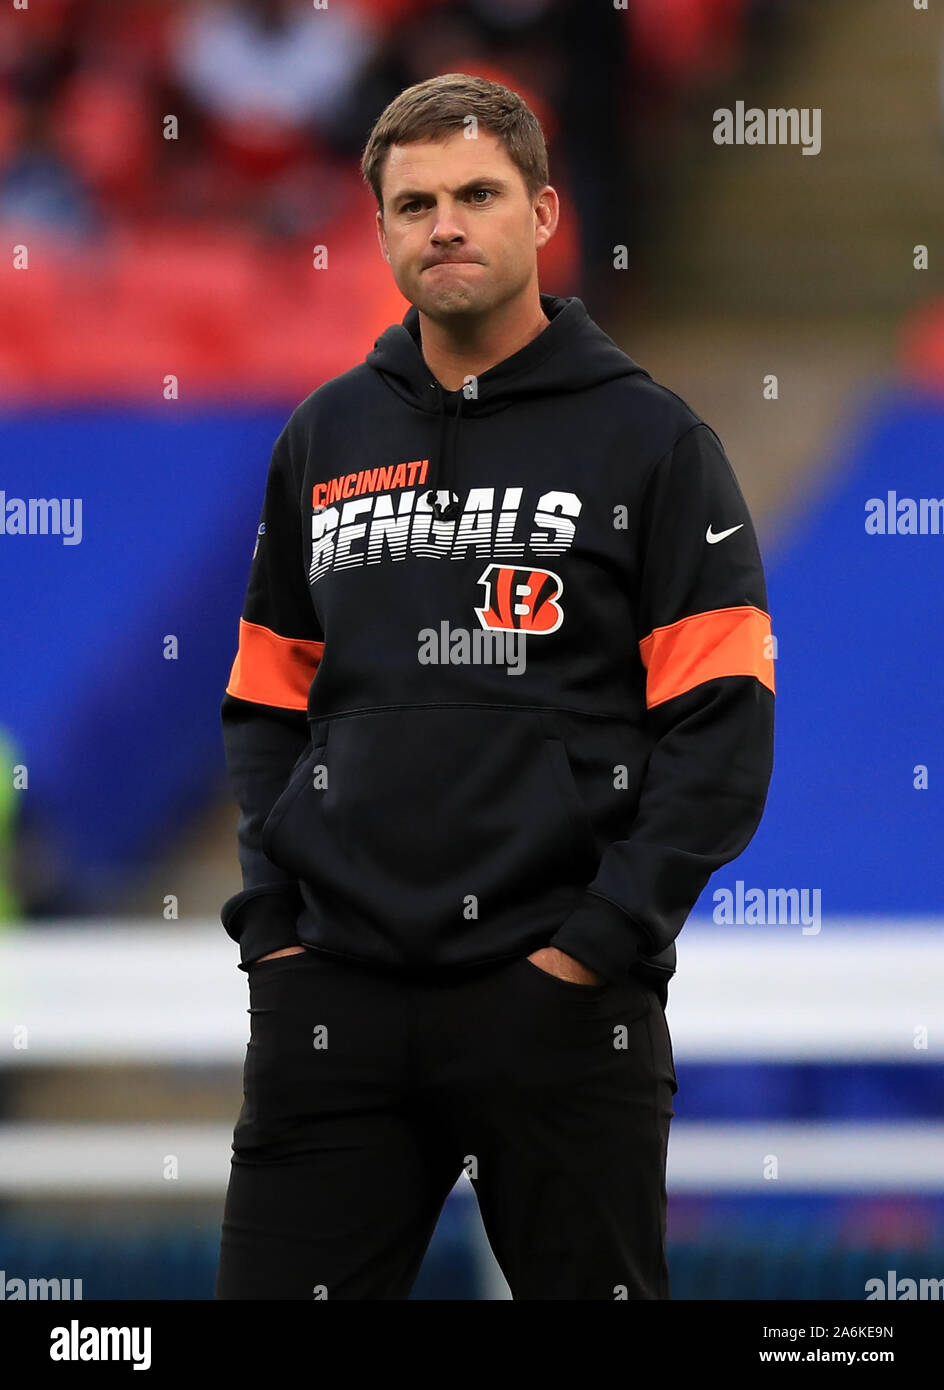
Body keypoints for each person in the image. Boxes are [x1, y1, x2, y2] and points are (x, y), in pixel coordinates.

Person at [214, 71, 775, 1301]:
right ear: (379, 233)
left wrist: (592, 949)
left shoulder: (654, 443)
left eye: (477, 194)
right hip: (336, 1008)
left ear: (543, 213)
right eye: (413, 205)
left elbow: (719, 736)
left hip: (560, 1011)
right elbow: (264, 705)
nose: (445, 225)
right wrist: (277, 939)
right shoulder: (321, 437)